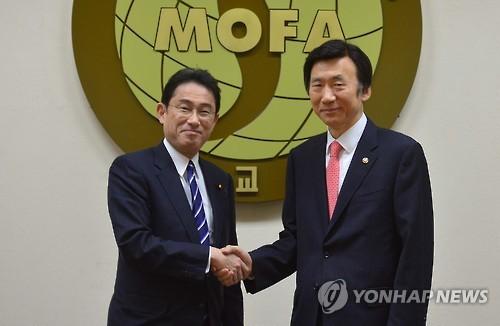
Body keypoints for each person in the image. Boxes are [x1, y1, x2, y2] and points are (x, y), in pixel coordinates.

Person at [219, 39, 434, 325]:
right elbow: (298, 240)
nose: (327, 96)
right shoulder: (302, 158)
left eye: (338, 84)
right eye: (317, 85)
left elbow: (415, 255)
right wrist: (253, 263)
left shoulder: (400, 154)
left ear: (365, 90)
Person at [107, 68, 246, 326]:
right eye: (184, 108)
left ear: (215, 120)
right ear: (162, 112)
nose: (194, 119)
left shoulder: (220, 180)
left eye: (204, 112)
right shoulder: (131, 170)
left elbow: (227, 258)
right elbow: (136, 244)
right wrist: (208, 256)